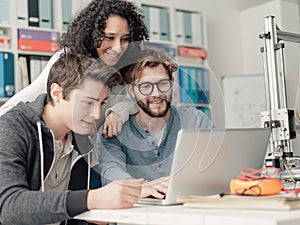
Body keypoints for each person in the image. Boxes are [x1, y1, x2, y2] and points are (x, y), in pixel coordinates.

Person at [0, 52, 143, 225]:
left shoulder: (81, 138)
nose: (96, 114)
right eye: (88, 103)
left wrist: (99, 215)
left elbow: (75, 215)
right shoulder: (12, 128)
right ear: (57, 93)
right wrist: (91, 199)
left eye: (101, 103)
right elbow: (9, 207)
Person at [0, 0, 148, 137]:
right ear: (92, 35)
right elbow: (11, 111)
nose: (117, 48)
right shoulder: (68, 62)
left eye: (125, 39)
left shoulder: (122, 69)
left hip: (82, 154)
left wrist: (119, 111)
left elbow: (143, 100)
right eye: (109, 37)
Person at [98, 48, 214, 199]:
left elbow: (217, 165)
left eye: (163, 84)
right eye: (145, 87)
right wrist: (140, 187)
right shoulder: (115, 129)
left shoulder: (195, 121)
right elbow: (110, 172)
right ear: (132, 91)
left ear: (172, 83)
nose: (156, 94)